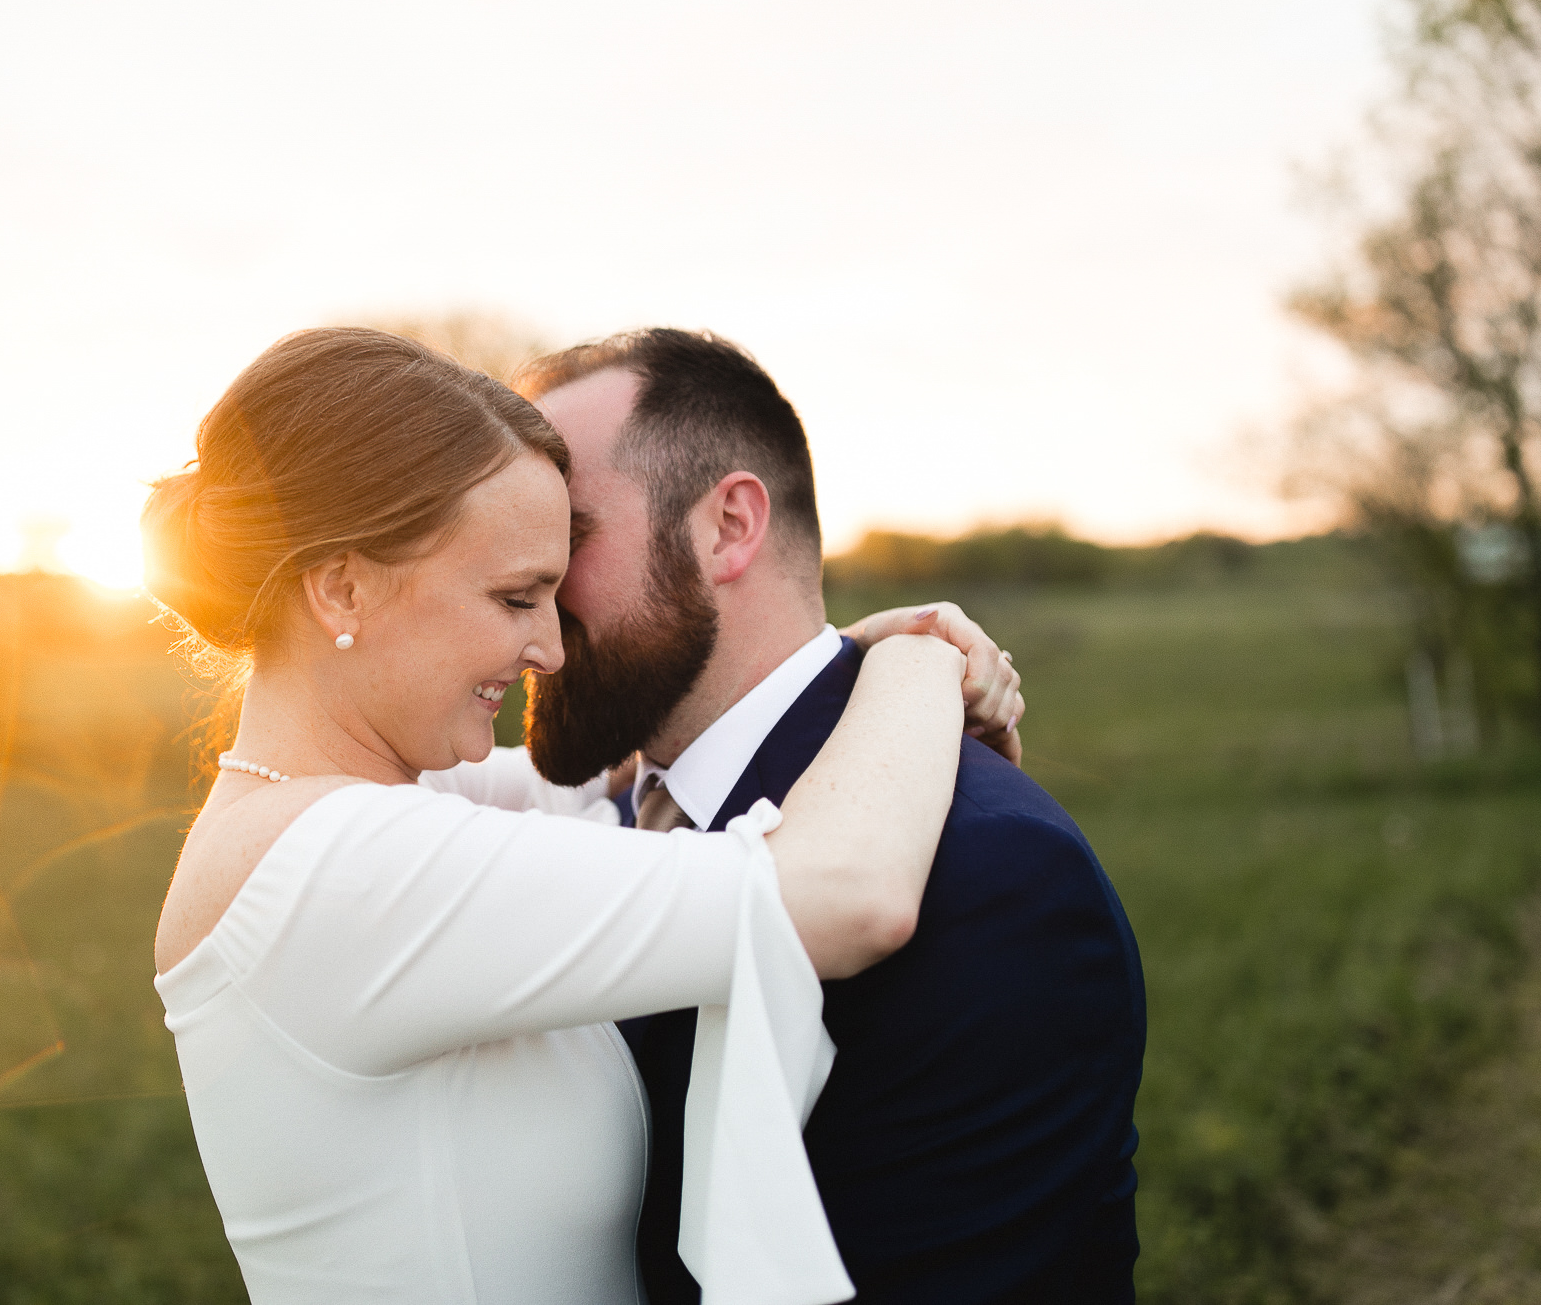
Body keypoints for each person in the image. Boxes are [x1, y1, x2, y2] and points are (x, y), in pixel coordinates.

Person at [143, 327, 1024, 1305]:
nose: (547, 651)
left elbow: (632, 775)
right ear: (343, 585)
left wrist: (838, 656)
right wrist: (919, 659)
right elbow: (842, 893)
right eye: (514, 595)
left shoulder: (376, 808)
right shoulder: (341, 868)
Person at [518, 329, 1146, 1305]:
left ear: (728, 526)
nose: (526, 589)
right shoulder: (603, 808)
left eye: (565, 537)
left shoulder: (992, 883)